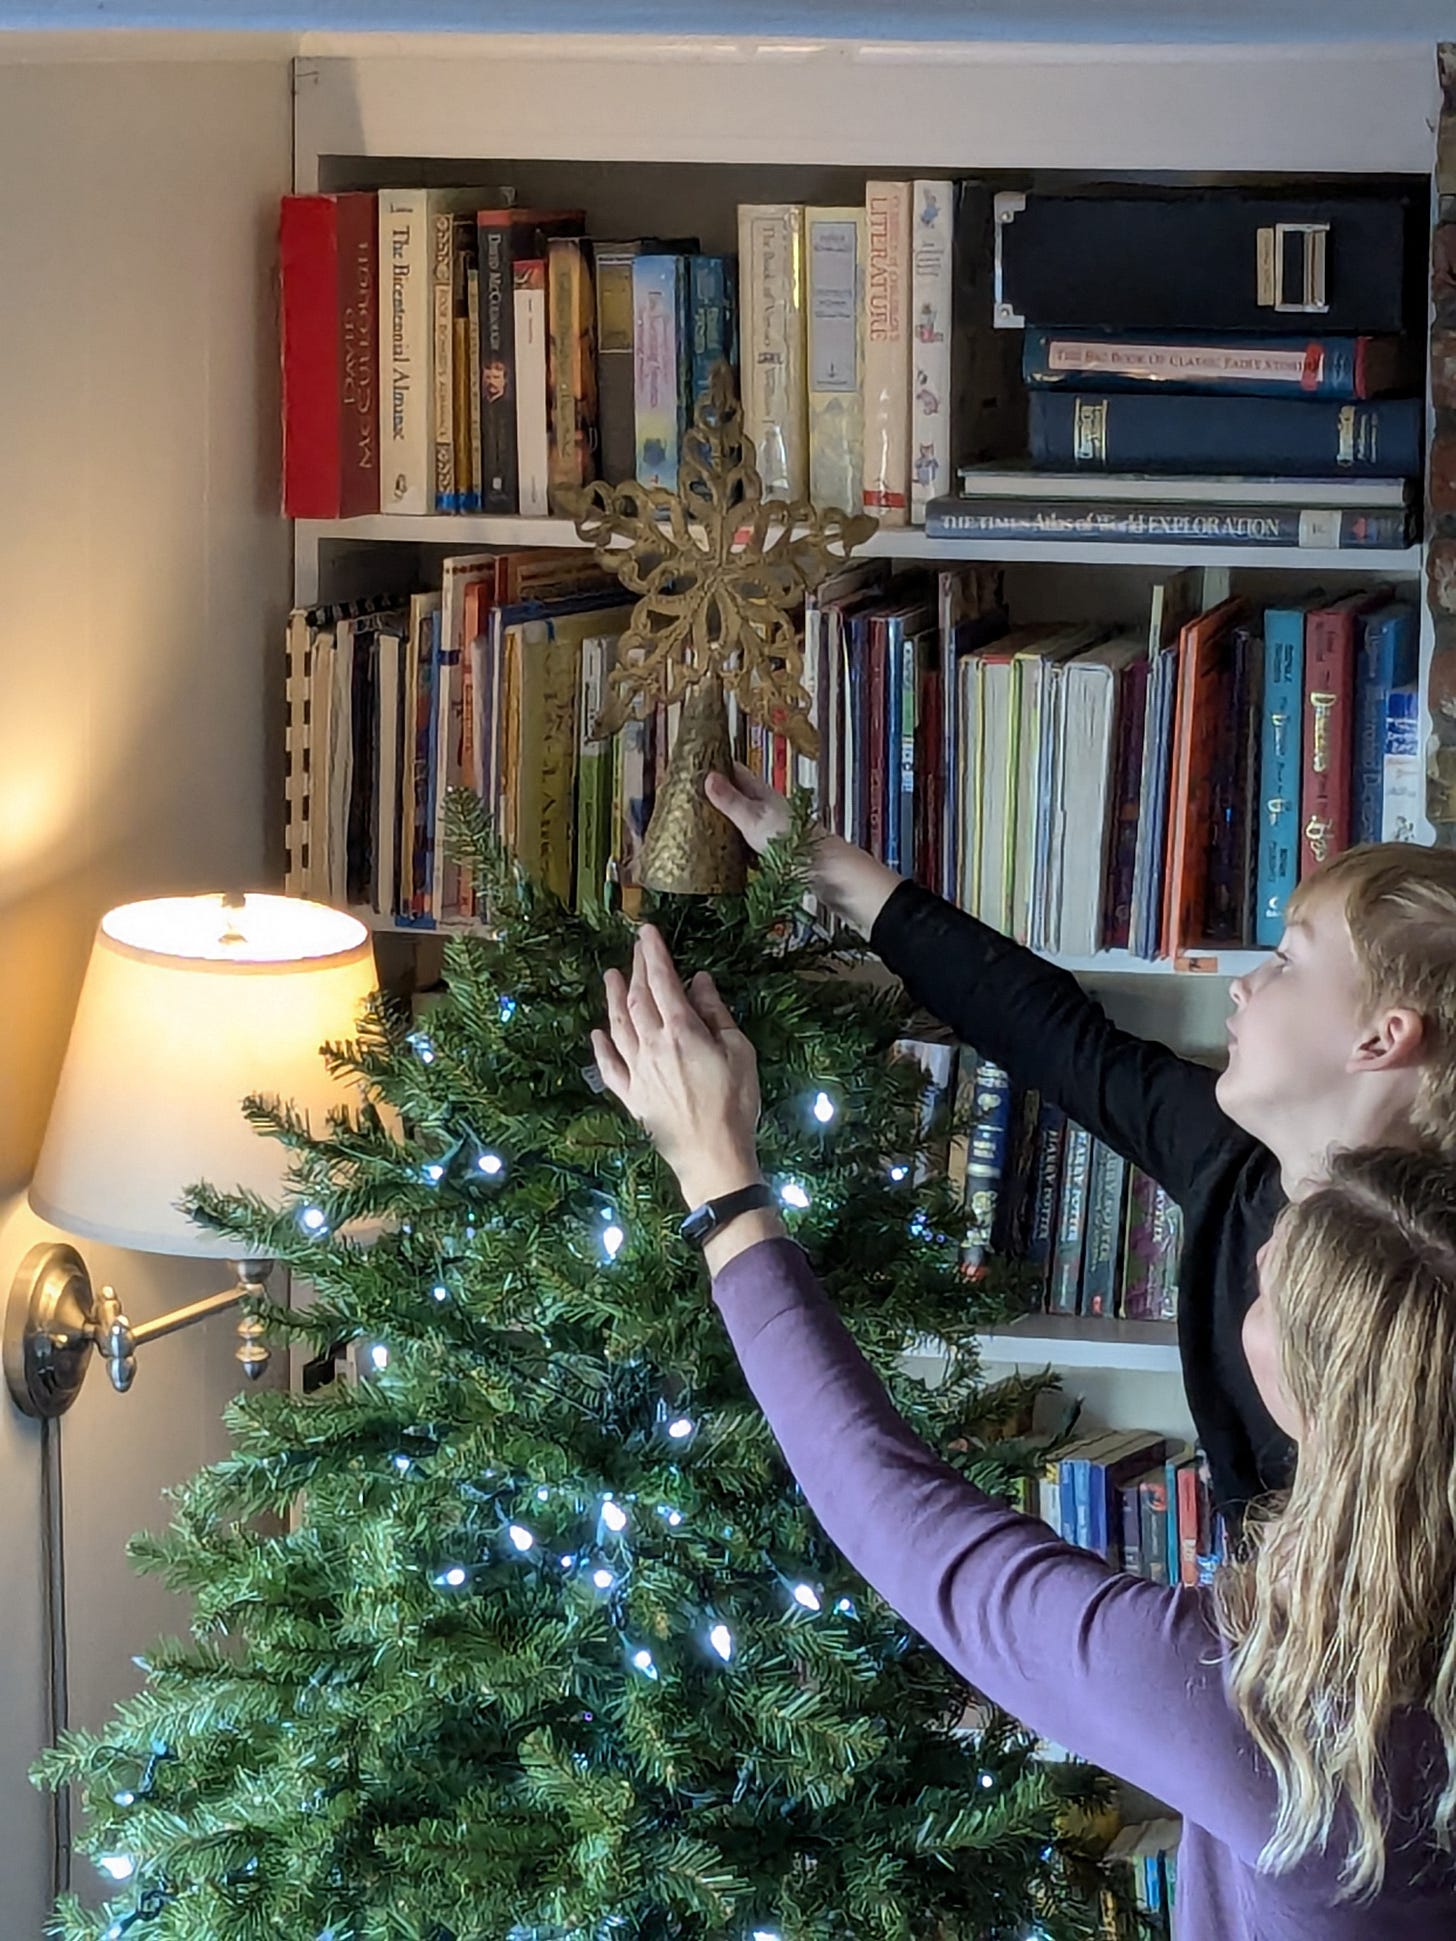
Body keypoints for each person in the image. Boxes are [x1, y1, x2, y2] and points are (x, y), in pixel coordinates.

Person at [592, 925, 1456, 1940]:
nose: (1252, 1270)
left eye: (1268, 1291)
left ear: (1324, 1399)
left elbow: (910, 1527)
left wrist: (718, 1183)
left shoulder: (1273, 1720)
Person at [702, 765, 1456, 1521]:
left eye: (1288, 960)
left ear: (1380, 1038)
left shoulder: (1431, 1284)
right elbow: (1048, 1032)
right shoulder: (1230, 1157)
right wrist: (811, 853)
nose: (1245, 983)